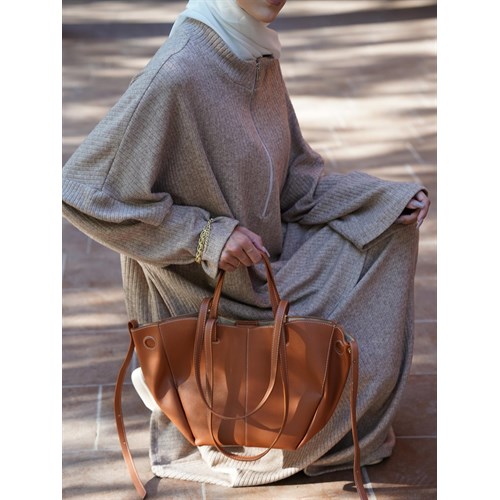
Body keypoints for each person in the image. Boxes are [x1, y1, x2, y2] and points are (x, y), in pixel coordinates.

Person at [62, 0, 430, 491]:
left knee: (388, 235)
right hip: (209, 288)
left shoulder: (254, 53)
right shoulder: (180, 70)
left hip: (264, 263)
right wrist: (203, 237)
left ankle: (325, 428)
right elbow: (81, 190)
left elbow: (296, 183)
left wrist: (381, 200)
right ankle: (264, 425)